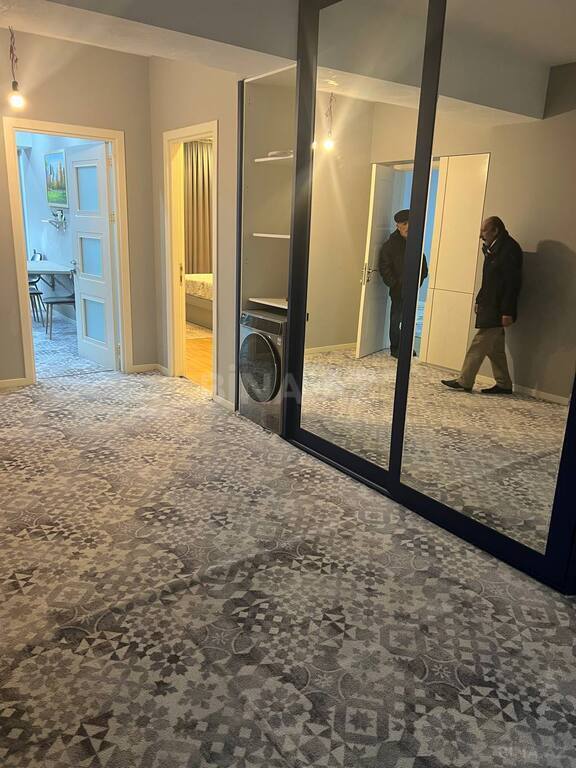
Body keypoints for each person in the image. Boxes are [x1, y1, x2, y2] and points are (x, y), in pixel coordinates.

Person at [442, 216, 523, 394]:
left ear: (495, 231)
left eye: (484, 230)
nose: (481, 235)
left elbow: (512, 284)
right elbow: (489, 280)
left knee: (478, 344)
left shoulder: (508, 250)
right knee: (495, 349)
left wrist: (507, 311)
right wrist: (480, 299)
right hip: (491, 304)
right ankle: (504, 383)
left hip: (498, 308)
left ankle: (465, 380)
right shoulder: (493, 248)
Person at [378, 209, 428, 358]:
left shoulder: (416, 242)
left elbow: (423, 266)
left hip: (413, 290)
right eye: (404, 224)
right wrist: (395, 284)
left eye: (410, 223)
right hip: (398, 290)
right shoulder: (390, 245)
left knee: (409, 321)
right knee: (396, 320)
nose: (408, 227)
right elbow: (384, 268)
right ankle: (396, 348)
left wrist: (419, 281)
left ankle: (407, 348)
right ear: (398, 226)